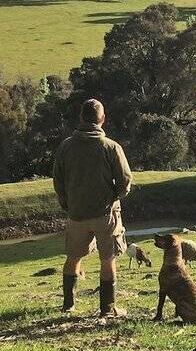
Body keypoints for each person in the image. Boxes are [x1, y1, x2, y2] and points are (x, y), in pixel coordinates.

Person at [52, 99, 133, 317]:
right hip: (105, 213)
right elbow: (125, 181)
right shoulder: (111, 147)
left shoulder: (66, 146)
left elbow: (58, 181)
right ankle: (107, 308)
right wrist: (115, 196)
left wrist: (68, 204)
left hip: (76, 213)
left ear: (81, 118)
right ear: (102, 120)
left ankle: (68, 305)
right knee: (108, 260)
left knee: (73, 258)